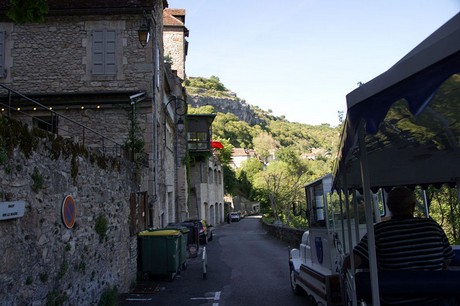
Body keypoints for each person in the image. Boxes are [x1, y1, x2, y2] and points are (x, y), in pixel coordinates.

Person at [342, 186, 455, 305]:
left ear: (390, 207)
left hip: (395, 302)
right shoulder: (432, 227)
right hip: (436, 301)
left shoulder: (379, 231)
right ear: (413, 206)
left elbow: (353, 261)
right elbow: (447, 260)